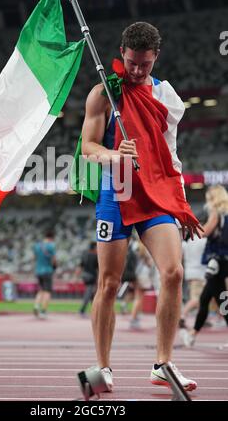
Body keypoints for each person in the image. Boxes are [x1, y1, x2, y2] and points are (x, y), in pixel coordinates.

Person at [81, 21, 203, 392]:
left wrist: (179, 203)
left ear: (155, 58)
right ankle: (103, 367)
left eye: (144, 65)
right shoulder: (105, 93)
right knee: (109, 283)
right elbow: (88, 146)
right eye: (132, 63)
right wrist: (114, 154)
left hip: (153, 192)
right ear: (122, 54)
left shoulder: (166, 96)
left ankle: (163, 363)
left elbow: (171, 157)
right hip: (115, 188)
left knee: (173, 272)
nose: (136, 71)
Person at [182, 185, 228, 347]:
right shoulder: (226, 214)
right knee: (204, 298)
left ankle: (193, 333)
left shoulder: (216, 212)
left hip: (217, 261)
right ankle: (193, 334)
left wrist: (188, 229)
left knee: (222, 300)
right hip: (223, 260)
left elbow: (205, 232)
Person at [179, 233, 207, 329]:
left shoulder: (188, 241)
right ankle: (182, 315)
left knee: (201, 298)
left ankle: (202, 318)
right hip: (200, 272)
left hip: (190, 271)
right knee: (196, 298)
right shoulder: (203, 240)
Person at [33, 230, 57, 319]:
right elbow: (54, 259)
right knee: (47, 292)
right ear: (52, 238)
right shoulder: (51, 245)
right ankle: (43, 311)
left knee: (41, 290)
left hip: (38, 270)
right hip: (47, 270)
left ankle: (36, 306)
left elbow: (35, 258)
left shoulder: (37, 245)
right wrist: (54, 266)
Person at [77, 241, 98, 317]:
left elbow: (80, 266)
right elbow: (98, 269)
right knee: (89, 293)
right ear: (94, 247)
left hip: (84, 275)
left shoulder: (84, 254)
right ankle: (82, 310)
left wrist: (77, 276)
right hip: (91, 276)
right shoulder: (95, 256)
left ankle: (95, 310)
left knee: (92, 294)